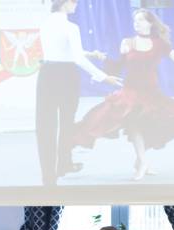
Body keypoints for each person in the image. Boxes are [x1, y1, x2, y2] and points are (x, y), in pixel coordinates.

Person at [74, 9, 174, 180]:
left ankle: (140, 161)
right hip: (130, 93)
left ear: (150, 23)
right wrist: (102, 59)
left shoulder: (160, 44)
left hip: (151, 94)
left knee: (153, 126)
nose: (136, 23)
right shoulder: (127, 42)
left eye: (140, 20)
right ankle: (143, 162)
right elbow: (117, 67)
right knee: (133, 124)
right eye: (135, 20)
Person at [36, 0, 121, 185]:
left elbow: (63, 50)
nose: (76, 4)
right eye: (73, 1)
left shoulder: (45, 24)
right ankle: (63, 163)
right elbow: (77, 58)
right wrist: (104, 77)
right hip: (66, 75)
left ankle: (49, 176)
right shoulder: (71, 27)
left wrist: (90, 54)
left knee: (45, 125)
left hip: (47, 74)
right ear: (64, 3)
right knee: (66, 121)